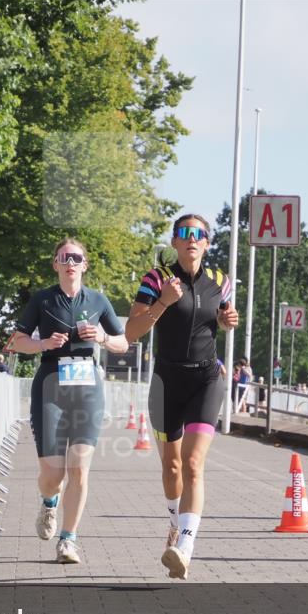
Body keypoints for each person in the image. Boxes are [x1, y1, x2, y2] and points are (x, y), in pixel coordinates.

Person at [125, 214, 239, 580]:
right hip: (165, 381)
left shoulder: (221, 281)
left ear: (207, 243)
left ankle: (185, 547)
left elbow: (218, 317)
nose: (192, 239)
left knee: (192, 464)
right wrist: (162, 303)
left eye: (199, 234)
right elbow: (132, 331)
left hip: (207, 378)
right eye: (184, 234)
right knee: (171, 466)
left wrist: (226, 320)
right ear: (174, 242)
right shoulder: (155, 279)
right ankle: (175, 524)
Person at [7, 238, 129, 563]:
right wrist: (45, 343)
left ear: (85, 264)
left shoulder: (98, 300)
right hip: (50, 388)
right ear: (56, 264)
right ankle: (49, 503)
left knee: (79, 468)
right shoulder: (43, 300)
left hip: (87, 389)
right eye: (65, 257)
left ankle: (68, 540)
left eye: (77, 257)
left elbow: (123, 343)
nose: (71, 262)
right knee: (52, 473)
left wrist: (102, 337)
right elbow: (16, 342)